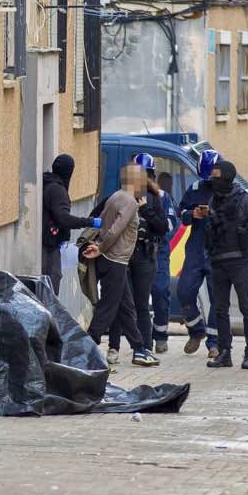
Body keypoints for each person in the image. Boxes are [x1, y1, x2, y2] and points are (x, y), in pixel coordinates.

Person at [81, 163, 154, 367]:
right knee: (108, 307)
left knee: (126, 307)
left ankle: (138, 348)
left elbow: (102, 221)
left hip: (110, 259)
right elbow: (115, 230)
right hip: (115, 260)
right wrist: (101, 248)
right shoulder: (130, 202)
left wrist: (99, 246)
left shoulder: (115, 196)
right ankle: (84, 349)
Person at [107, 154, 168, 367]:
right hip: (122, 257)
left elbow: (163, 227)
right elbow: (103, 219)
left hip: (144, 256)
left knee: (142, 305)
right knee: (119, 302)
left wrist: (145, 209)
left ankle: (144, 349)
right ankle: (113, 347)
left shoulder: (153, 198)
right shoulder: (118, 197)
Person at [204, 160, 248, 370]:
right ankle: (225, 353)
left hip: (240, 263)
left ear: (228, 177)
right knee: (220, 309)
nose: (214, 180)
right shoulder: (214, 201)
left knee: (247, 307)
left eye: (217, 175)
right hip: (218, 262)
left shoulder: (245, 201)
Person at [177, 149, 223, 358]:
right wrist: (191, 214)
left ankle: (214, 343)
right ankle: (196, 330)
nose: (208, 183)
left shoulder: (228, 190)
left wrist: (213, 214)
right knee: (184, 290)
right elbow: (180, 212)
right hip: (195, 247)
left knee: (217, 297)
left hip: (217, 250)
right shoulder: (195, 188)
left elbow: (235, 216)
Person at [42, 154, 100, 294]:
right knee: (51, 283)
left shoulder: (46, 182)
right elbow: (63, 218)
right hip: (49, 247)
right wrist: (90, 221)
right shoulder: (57, 190)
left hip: (46, 243)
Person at [151, 171, 180, 354]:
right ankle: (141, 339)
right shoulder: (129, 195)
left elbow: (170, 224)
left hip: (158, 249)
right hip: (135, 252)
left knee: (161, 290)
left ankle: (160, 336)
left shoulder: (163, 197)